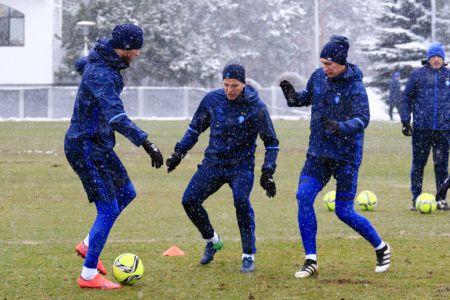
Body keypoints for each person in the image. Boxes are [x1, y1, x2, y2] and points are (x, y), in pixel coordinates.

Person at [279, 35, 390, 278]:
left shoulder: (355, 86)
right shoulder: (318, 77)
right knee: (303, 197)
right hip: (318, 153)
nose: (324, 68)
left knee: (344, 211)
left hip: (346, 157)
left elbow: (363, 118)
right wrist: (293, 98)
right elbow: (307, 96)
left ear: (340, 63)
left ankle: (381, 247)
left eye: (328, 64)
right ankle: (311, 259)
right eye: (322, 63)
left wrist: (342, 126)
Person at [64, 24, 164, 289]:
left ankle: (87, 245)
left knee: (127, 193)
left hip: (100, 145)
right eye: (137, 49)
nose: (139, 54)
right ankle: (88, 275)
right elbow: (117, 117)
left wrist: (81, 65)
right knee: (107, 208)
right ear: (126, 49)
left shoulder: (102, 61)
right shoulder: (103, 75)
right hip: (85, 146)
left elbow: (80, 63)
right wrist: (147, 143)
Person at [166, 64, 279, 273]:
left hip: (241, 167)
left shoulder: (256, 107)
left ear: (244, 84)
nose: (229, 90)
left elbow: (271, 142)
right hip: (213, 164)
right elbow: (194, 129)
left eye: (234, 85)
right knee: (189, 200)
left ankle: (248, 255)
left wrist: (268, 171)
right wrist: (178, 153)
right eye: (226, 85)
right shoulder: (212, 100)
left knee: (241, 201)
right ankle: (212, 240)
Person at [400, 42, 450, 211]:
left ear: (443, 59)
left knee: (441, 165)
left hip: (444, 130)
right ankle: (416, 199)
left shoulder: (448, 76)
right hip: (422, 129)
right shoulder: (417, 75)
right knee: (418, 165)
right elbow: (406, 98)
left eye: (439, 57)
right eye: (433, 57)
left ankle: (441, 199)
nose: (436, 60)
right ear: (428, 59)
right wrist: (405, 120)